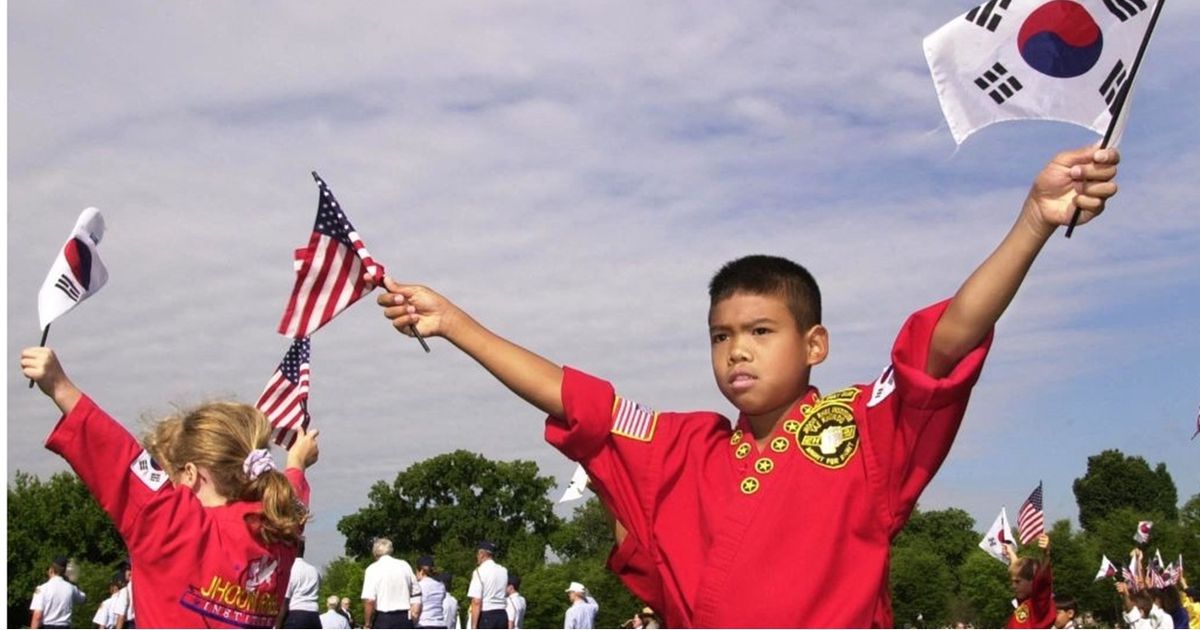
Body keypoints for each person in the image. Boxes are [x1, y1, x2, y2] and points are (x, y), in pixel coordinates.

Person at [370, 146, 1122, 628]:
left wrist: (1032, 222)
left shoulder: (860, 427)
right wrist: (458, 323)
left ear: (814, 344)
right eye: (721, 335)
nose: (737, 351)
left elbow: (948, 340)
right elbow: (574, 398)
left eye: (762, 331)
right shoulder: (684, 444)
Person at [20, 347, 317, 629]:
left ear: (190, 472)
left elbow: (118, 456)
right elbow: (289, 498)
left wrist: (59, 385)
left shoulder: (175, 526)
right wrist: (296, 464)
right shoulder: (280, 532)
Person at [361, 538, 421, 629]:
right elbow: (416, 592)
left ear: (374, 553)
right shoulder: (404, 565)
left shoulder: (372, 569)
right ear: (391, 550)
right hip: (405, 618)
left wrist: (367, 623)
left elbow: (369, 601)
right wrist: (415, 612)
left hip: (384, 619)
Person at [1006, 535, 1054, 628]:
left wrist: (1046, 553)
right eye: (1012, 582)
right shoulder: (1024, 601)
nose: (1013, 586)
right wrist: (1011, 553)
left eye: (1017, 582)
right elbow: (1019, 573)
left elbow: (1042, 579)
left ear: (1033, 581)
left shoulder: (1039, 603)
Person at [30, 555, 86, 629]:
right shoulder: (71, 588)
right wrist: (73, 582)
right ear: (64, 571)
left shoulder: (41, 589)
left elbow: (37, 615)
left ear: (51, 570)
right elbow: (84, 599)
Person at [280, 541, 323, 628]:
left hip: (296, 614)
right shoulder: (314, 570)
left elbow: (285, 602)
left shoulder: (291, 568)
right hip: (314, 616)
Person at [467, 541, 508, 629]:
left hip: (487, 614)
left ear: (482, 554)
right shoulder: (503, 571)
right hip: (502, 614)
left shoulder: (479, 571)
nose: (477, 557)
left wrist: (473, 626)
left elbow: (476, 601)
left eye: (477, 554)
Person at [415, 556, 448, 629]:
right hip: (440, 624)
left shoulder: (418, 586)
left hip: (423, 624)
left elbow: (416, 609)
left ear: (420, 571)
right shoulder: (441, 585)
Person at [112, 560, 134, 629]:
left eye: (128, 569)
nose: (126, 572)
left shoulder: (125, 591)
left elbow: (121, 616)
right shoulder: (148, 587)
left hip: (130, 625)